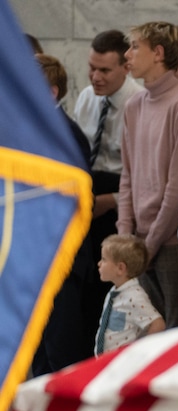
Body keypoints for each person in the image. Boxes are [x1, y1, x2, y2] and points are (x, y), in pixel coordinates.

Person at [118, 21, 178, 328]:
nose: (127, 54)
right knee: (146, 336)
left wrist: (148, 246)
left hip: (172, 242)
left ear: (158, 52)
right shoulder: (133, 105)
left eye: (134, 46)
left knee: (177, 333)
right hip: (138, 243)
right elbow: (127, 176)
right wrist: (125, 235)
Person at [74, 30, 145, 340]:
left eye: (104, 70)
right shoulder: (87, 97)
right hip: (87, 189)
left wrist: (113, 199)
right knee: (83, 279)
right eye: (92, 67)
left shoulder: (137, 100)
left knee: (109, 282)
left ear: (125, 67)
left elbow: (143, 171)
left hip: (119, 195)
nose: (95, 76)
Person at [31, 53, 94, 375]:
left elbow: (73, 198)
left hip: (61, 258)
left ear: (52, 92)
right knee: (38, 351)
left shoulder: (65, 135)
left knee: (61, 350)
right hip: (37, 255)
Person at [94, 234, 164, 355]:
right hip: (108, 360)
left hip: (121, 361)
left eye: (104, 259)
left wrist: (140, 351)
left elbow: (158, 324)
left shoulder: (135, 297)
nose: (99, 264)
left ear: (120, 268)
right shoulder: (114, 292)